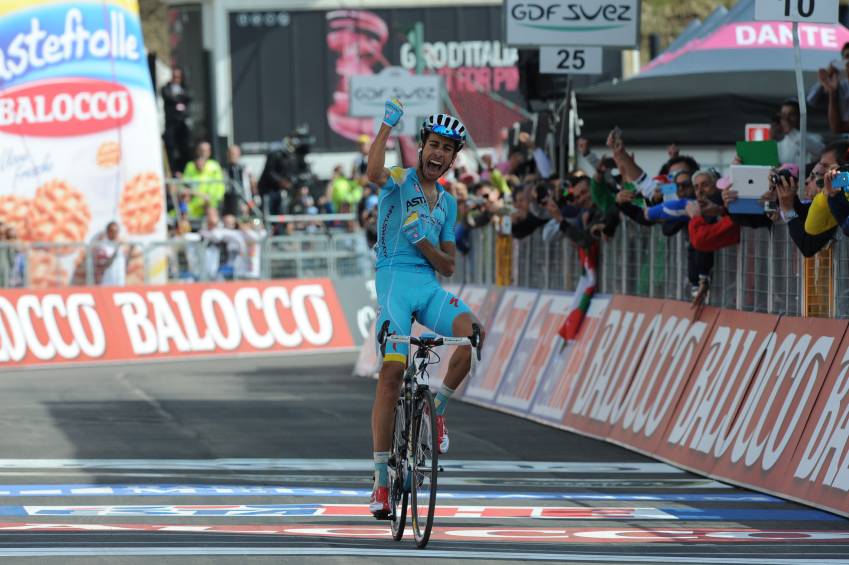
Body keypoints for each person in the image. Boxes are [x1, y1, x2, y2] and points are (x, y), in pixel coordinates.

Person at [366, 98, 485, 519]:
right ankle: (382, 480)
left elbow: (449, 265)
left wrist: (424, 244)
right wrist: (385, 126)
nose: (438, 154)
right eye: (433, 145)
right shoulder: (400, 181)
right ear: (422, 147)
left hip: (428, 284)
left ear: (453, 159)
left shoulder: (448, 203)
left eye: (447, 150)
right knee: (392, 373)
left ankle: (436, 410)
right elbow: (372, 172)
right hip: (395, 281)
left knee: (472, 335)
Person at [161, 67, 193, 175]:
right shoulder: (166, 88)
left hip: (182, 124)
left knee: (185, 147)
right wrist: (180, 98)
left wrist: (178, 98)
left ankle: (183, 170)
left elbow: (188, 97)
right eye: (174, 77)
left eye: (178, 77)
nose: (176, 79)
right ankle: (173, 171)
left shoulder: (184, 88)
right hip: (171, 123)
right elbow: (169, 98)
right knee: (171, 148)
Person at [183, 141, 225, 220]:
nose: (203, 153)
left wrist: (211, 199)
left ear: (210, 152)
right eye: (201, 150)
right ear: (197, 151)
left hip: (210, 204)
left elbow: (219, 188)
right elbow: (185, 186)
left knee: (213, 219)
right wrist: (199, 195)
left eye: (206, 150)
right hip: (193, 204)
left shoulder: (214, 166)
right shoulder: (190, 166)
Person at [777, 99, 824, 165]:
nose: (786, 119)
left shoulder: (815, 138)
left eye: (791, 114)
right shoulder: (779, 145)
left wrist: (791, 132)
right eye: (783, 115)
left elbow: (821, 152)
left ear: (800, 116)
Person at [95, 222, 133, 286]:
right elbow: (104, 265)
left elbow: (124, 264)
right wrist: (115, 252)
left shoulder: (120, 245)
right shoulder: (103, 246)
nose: (115, 233)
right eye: (113, 231)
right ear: (108, 232)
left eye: (116, 231)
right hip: (108, 282)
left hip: (120, 282)